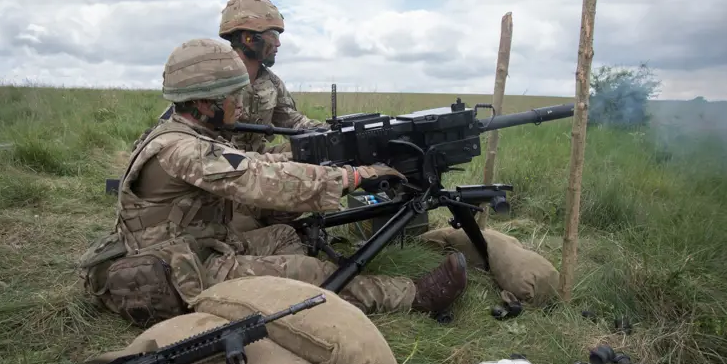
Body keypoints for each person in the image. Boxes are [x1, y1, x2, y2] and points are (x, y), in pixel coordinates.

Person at [81, 37, 468, 327]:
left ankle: (298, 289)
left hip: (201, 244)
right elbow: (259, 179)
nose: (239, 104)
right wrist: (350, 178)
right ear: (203, 102)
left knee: (284, 235)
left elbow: (253, 161)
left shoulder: (189, 134)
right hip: (183, 270)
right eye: (232, 96)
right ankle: (415, 296)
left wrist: (312, 155)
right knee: (313, 274)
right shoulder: (182, 149)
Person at [132, 0, 325, 231]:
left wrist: (327, 132)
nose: (278, 44)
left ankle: (268, 225)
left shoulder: (271, 83)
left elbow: (292, 121)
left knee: (307, 151)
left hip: (256, 164)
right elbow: (176, 130)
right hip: (217, 173)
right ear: (248, 38)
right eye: (273, 35)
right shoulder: (211, 80)